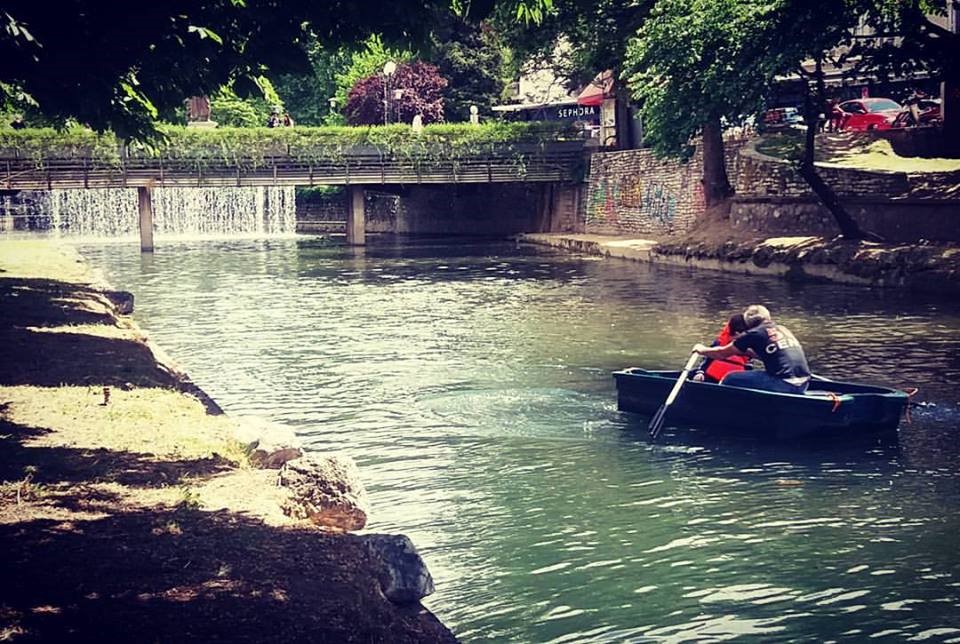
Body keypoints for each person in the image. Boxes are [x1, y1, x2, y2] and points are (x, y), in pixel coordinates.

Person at [693, 304, 811, 394]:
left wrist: (701, 349)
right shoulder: (782, 328)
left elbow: (721, 354)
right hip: (804, 382)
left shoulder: (753, 334)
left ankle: (731, 407)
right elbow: (770, 354)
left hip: (784, 384)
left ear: (748, 323)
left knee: (730, 378)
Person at [692, 313, 750, 383]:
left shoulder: (749, 346)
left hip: (735, 381)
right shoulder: (719, 342)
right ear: (737, 333)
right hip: (712, 377)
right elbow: (707, 360)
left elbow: (748, 366)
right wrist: (700, 373)